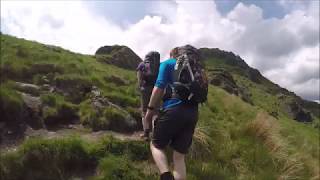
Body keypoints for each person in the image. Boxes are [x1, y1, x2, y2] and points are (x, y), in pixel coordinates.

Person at [144, 45, 208, 180]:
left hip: (174, 108)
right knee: (179, 157)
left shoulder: (168, 64)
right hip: (193, 113)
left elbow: (158, 88)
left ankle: (166, 176)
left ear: (173, 54)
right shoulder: (196, 69)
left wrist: (150, 111)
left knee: (156, 145)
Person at [136, 51, 160, 140]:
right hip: (157, 89)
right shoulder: (159, 65)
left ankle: (146, 134)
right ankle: (156, 134)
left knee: (144, 111)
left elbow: (139, 78)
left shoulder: (142, 64)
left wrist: (140, 86)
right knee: (156, 111)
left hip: (145, 89)